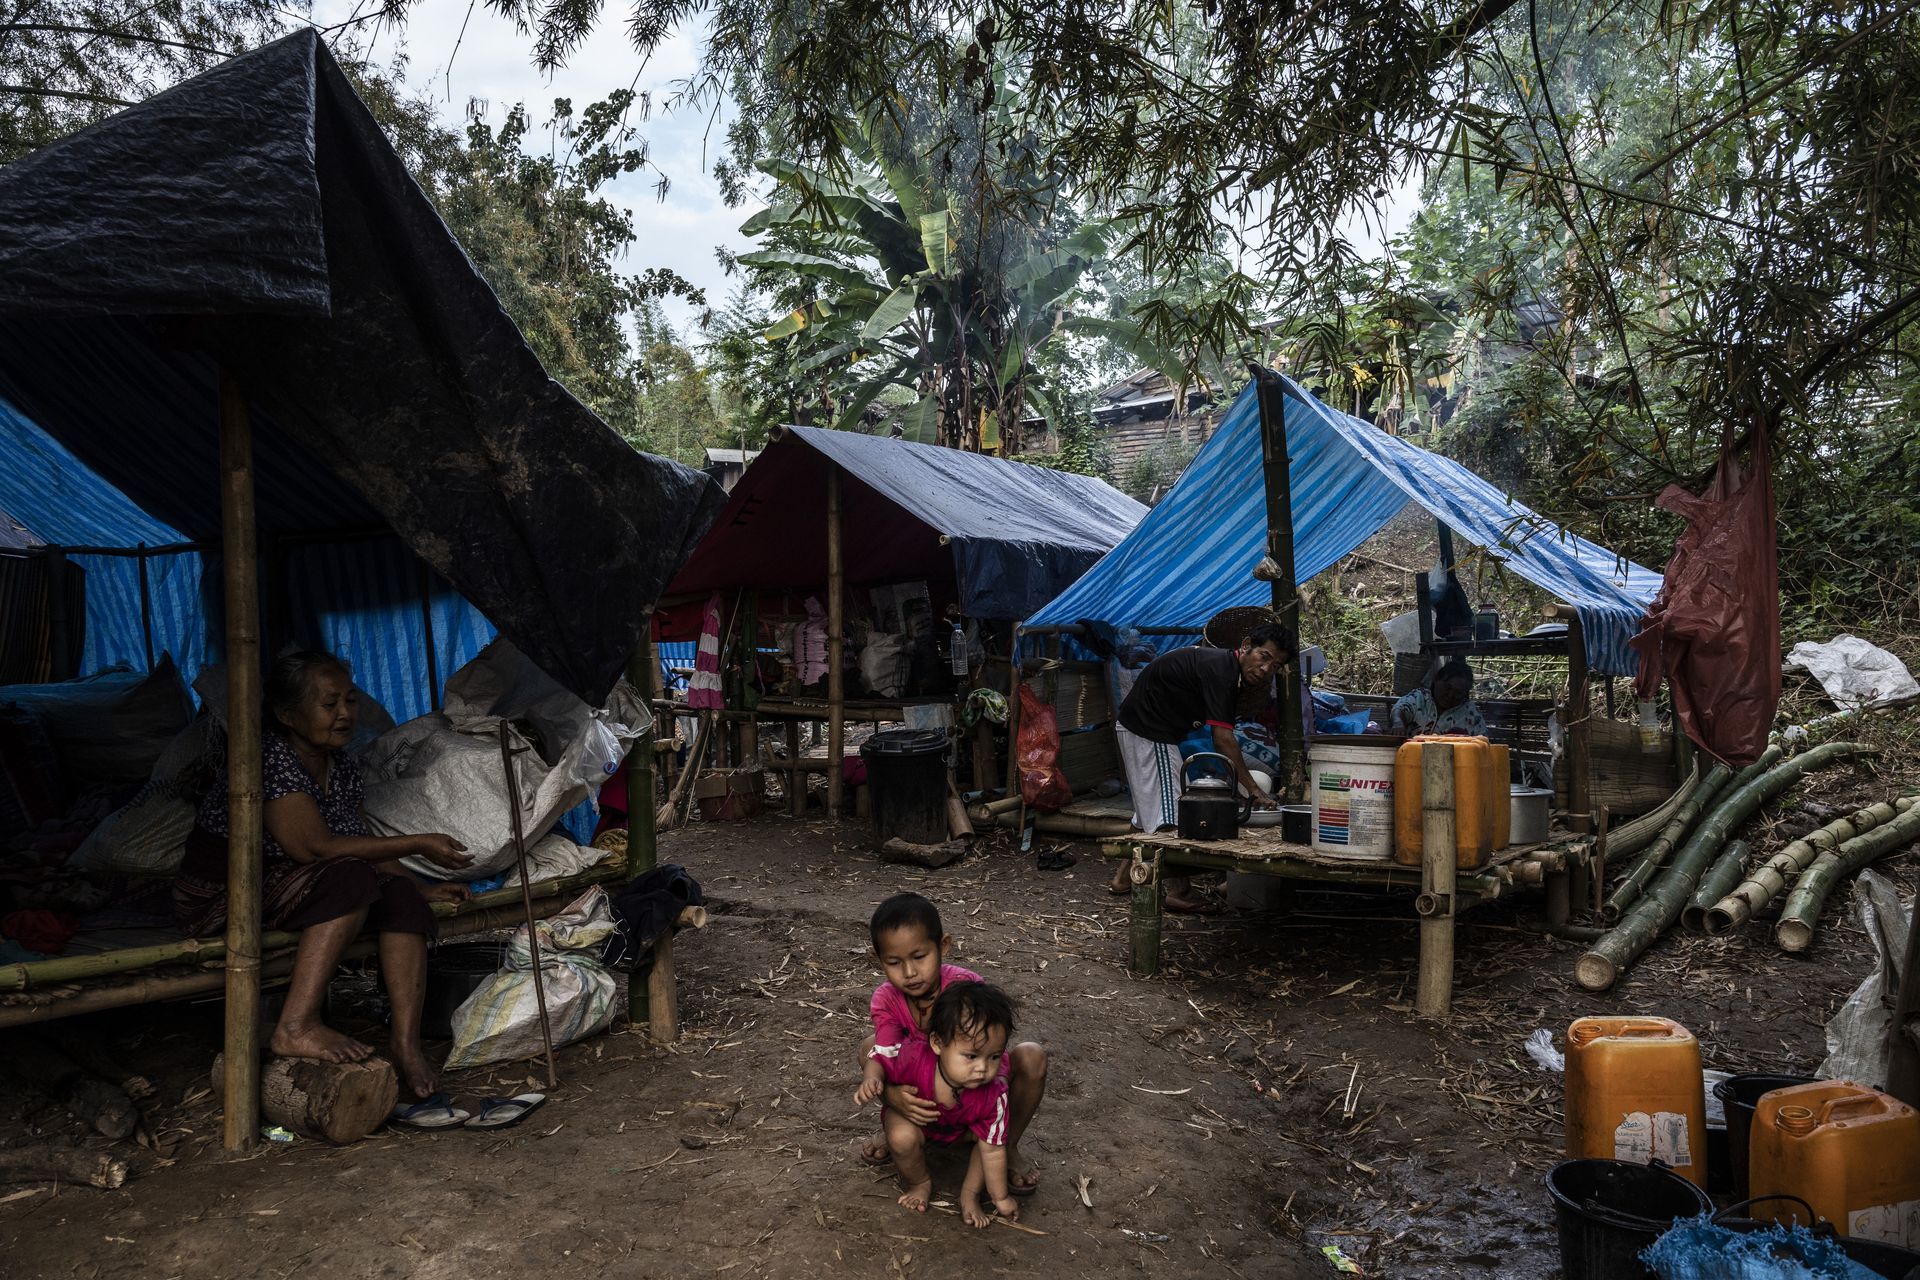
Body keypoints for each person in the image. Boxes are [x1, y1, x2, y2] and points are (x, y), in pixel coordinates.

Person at [172, 649, 473, 1099]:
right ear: (288, 715)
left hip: (299, 883)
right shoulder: (267, 759)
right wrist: (418, 841)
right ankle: (295, 1024)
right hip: (228, 893)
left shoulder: (342, 766)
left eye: (349, 702)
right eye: (329, 704)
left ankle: (406, 1045)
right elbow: (313, 847)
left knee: (398, 898)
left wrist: (418, 887)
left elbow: (357, 837)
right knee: (350, 877)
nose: (345, 714)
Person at [853, 893, 1046, 1196]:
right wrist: (891, 1096)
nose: (909, 972)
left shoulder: (966, 989)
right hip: (920, 1099)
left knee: (1032, 1056)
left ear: (943, 946)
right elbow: (886, 1053)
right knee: (869, 1047)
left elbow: (990, 1054)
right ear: (880, 961)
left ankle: (1004, 1145)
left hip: (972, 1097)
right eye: (894, 962)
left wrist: (981, 1104)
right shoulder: (886, 999)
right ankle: (896, 1126)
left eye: (919, 957)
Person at [1108, 622, 1296, 908]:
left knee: (1150, 807)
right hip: (1148, 730)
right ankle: (1178, 891)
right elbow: (1223, 739)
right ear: (1246, 646)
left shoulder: (1226, 670)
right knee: (1170, 814)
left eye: (1275, 665)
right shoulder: (1222, 671)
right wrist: (1254, 789)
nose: (1266, 669)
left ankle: (1122, 878)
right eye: (1264, 657)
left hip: (1147, 728)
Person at [869, 980, 1022, 1227]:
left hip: (961, 1132)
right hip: (918, 1123)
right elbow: (878, 1058)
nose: (983, 1068)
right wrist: (879, 1084)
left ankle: (969, 1196)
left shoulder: (994, 1095)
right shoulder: (913, 1058)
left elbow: (992, 1151)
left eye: (994, 1056)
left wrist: (1000, 1197)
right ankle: (919, 1182)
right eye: (971, 1056)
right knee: (900, 1135)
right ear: (937, 1043)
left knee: (989, 1143)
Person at [1391, 658, 1489, 737]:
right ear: (1437, 680)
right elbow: (1401, 708)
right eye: (1447, 688)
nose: (1450, 695)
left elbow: (1483, 741)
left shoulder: (1471, 713)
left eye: (1458, 693)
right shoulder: (1420, 697)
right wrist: (1398, 723)